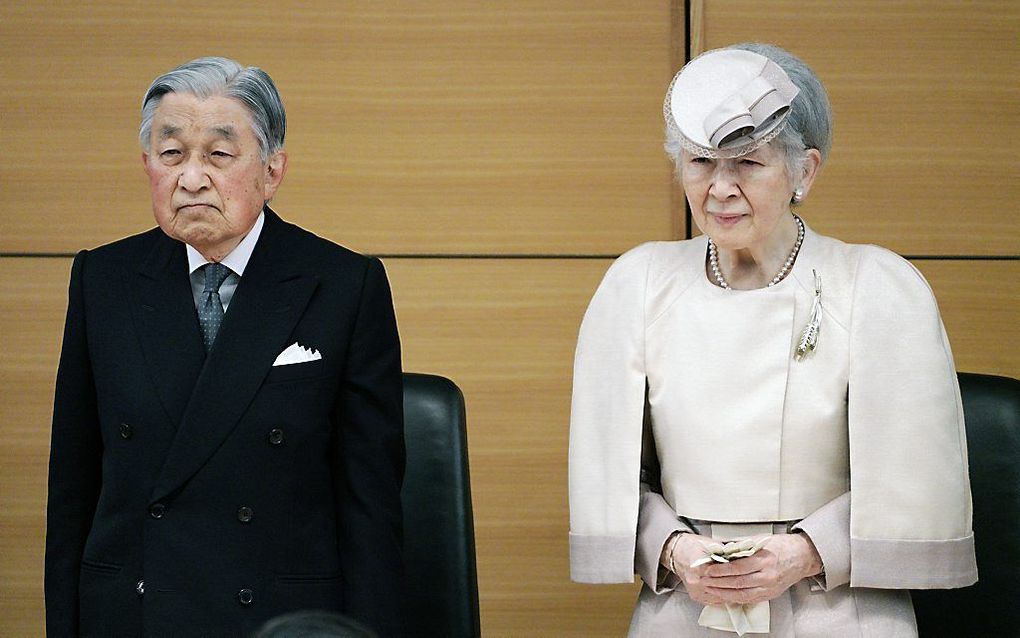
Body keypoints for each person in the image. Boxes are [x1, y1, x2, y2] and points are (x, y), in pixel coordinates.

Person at [568, 44, 977, 636]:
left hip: (838, 602)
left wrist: (805, 552)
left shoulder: (877, 286)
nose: (720, 189)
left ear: (804, 172)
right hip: (686, 600)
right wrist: (676, 548)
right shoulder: (638, 283)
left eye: (749, 164)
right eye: (700, 163)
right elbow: (611, 468)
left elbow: (914, 475)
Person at [45, 57, 405, 637]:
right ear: (147, 167)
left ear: (272, 170)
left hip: (279, 617)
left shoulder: (342, 285)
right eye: (171, 154)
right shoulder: (102, 280)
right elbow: (72, 489)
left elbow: (371, 507)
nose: (191, 178)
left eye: (218, 154)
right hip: (134, 611)